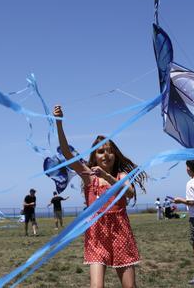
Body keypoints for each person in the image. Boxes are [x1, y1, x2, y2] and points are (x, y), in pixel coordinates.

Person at [54, 105, 146, 288]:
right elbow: (66, 153)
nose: (106, 155)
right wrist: (59, 122)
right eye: (100, 151)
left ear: (115, 154)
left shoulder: (120, 177)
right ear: (94, 156)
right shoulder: (89, 177)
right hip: (96, 234)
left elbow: (129, 193)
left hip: (120, 232)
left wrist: (107, 177)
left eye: (109, 150)